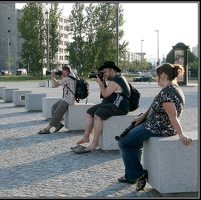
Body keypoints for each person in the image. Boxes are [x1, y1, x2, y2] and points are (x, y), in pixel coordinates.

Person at [117, 63, 192, 191]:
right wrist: (140, 118)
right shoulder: (173, 88)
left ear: (162, 75)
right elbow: (155, 106)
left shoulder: (167, 92)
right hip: (156, 125)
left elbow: (173, 116)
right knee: (135, 143)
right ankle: (131, 175)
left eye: (156, 75)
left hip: (157, 128)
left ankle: (138, 174)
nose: (155, 78)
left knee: (124, 143)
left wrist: (181, 134)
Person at [72, 61, 130, 153]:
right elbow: (106, 94)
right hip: (111, 104)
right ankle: (86, 137)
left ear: (112, 70)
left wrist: (100, 83)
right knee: (89, 112)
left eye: (105, 71)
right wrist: (103, 82)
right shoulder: (116, 79)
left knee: (97, 115)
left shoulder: (118, 80)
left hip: (119, 107)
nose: (104, 74)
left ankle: (95, 143)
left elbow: (105, 94)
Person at [38, 65, 76, 134]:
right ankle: (58, 125)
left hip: (69, 100)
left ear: (66, 71)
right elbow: (63, 83)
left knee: (57, 112)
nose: (61, 72)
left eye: (62, 71)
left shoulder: (69, 78)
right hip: (66, 98)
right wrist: (61, 76)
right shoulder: (71, 75)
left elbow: (56, 84)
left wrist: (52, 76)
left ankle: (47, 129)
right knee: (54, 107)